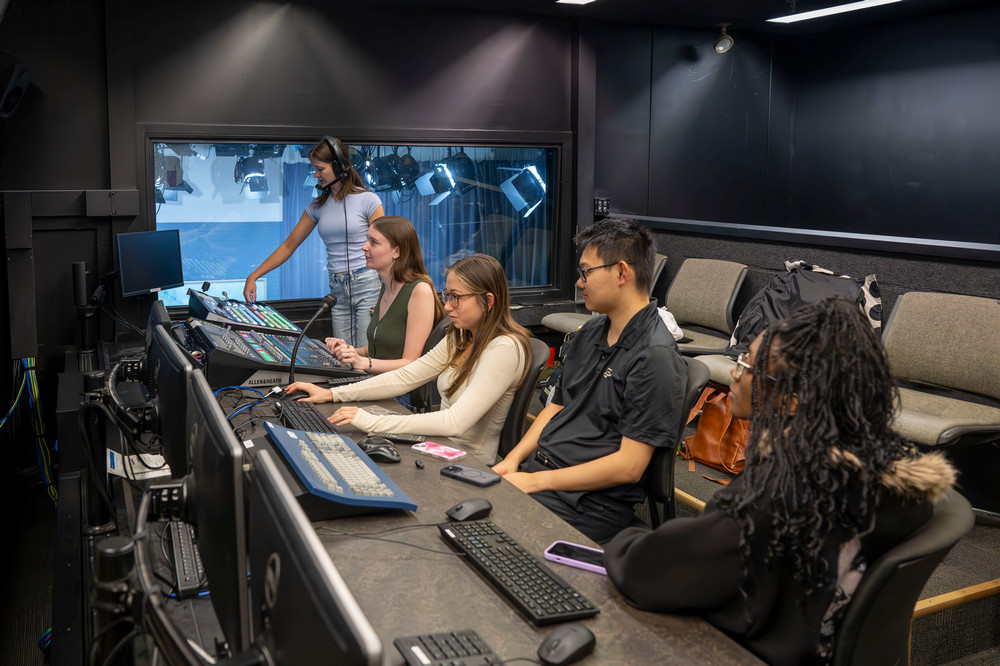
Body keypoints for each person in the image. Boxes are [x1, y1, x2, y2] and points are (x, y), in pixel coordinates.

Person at [603, 298, 957, 665]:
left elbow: (648, 573)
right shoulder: (893, 484)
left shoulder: (772, 498)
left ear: (791, 401)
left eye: (747, 365)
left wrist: (623, 539)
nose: (735, 374)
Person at [492, 217, 687, 544]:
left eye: (586, 272)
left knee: (490, 538)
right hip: (542, 474)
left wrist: (537, 483)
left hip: (588, 503)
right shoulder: (591, 332)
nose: (580, 283)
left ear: (622, 272)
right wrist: (511, 462)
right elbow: (554, 408)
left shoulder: (655, 357)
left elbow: (629, 467)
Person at [283, 253, 531, 465]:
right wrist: (332, 394)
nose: (447, 307)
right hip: (439, 448)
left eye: (456, 297)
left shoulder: (504, 348)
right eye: (447, 295)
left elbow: (455, 423)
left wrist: (371, 421)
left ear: (488, 301)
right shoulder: (461, 336)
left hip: (469, 462)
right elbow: (407, 376)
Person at [243, 137, 384, 346]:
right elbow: (288, 245)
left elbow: (385, 244)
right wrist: (254, 276)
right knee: (343, 357)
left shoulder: (368, 200)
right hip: (337, 289)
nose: (316, 175)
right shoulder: (317, 206)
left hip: (367, 283)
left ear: (340, 167)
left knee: (366, 353)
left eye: (320, 169)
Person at [324, 216, 443, 376]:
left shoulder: (420, 291)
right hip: (379, 382)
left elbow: (410, 363)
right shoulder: (387, 286)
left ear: (397, 251)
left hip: (401, 396)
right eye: (367, 240)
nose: (364, 247)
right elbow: (379, 349)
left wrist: (363, 363)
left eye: (374, 242)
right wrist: (348, 352)